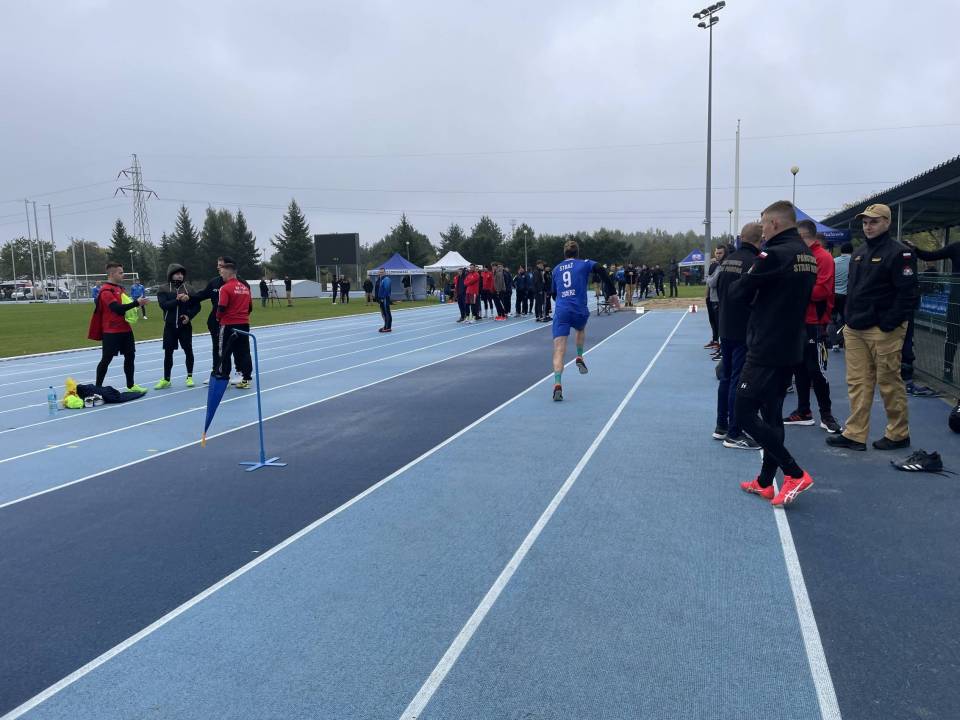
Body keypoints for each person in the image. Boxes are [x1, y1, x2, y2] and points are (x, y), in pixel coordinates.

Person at [732, 201, 817, 507]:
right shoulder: (807, 255)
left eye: (764, 224)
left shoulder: (775, 254)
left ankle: (794, 472)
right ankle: (766, 481)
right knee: (771, 412)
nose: (763, 231)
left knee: (743, 412)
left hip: (767, 345)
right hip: (790, 343)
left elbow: (739, 290)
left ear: (776, 224)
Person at [827, 204, 918, 451]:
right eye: (865, 222)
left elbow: (908, 294)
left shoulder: (900, 253)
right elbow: (853, 289)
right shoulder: (859, 253)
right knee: (857, 382)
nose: (868, 226)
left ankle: (898, 434)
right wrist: (848, 318)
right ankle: (855, 434)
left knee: (889, 382)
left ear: (887, 222)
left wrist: (889, 323)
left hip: (883, 329)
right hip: (855, 328)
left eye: (874, 222)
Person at [784, 220, 840, 433]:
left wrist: (794, 290)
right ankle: (803, 411)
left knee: (816, 370)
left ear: (802, 236)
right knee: (799, 368)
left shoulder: (823, 257)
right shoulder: (798, 256)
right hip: (797, 321)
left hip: (815, 323)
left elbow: (821, 292)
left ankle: (826, 415)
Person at [550, 239, 620, 401]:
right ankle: (579, 356)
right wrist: (612, 292)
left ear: (564, 253)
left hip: (562, 310)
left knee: (559, 350)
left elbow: (553, 294)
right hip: (579, 309)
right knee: (580, 329)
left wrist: (562, 300)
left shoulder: (556, 269)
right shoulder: (584, 264)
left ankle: (557, 384)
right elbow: (601, 269)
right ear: (577, 253)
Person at [714, 222, 763, 449]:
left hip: (725, 325)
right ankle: (734, 432)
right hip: (743, 328)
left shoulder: (726, 262)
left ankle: (721, 425)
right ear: (760, 239)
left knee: (726, 377)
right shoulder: (755, 262)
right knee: (737, 379)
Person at [903, 234, 960, 382]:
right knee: (952, 336)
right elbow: (930, 256)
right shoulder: (956, 247)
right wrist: (915, 249)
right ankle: (947, 371)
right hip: (956, 301)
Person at [87, 261, 148, 393]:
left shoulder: (120, 289)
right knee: (106, 359)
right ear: (112, 274)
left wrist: (136, 305)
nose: (123, 275)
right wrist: (136, 303)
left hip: (125, 329)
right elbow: (117, 309)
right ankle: (98, 388)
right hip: (111, 331)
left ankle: (131, 385)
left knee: (130, 356)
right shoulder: (105, 291)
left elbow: (125, 307)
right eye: (120, 273)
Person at [155, 263, 200, 389]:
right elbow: (163, 305)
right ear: (171, 274)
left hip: (184, 326)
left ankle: (189, 377)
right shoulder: (163, 288)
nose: (180, 276)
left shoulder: (189, 289)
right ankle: (166, 379)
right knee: (168, 353)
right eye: (177, 273)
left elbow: (197, 306)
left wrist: (189, 316)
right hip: (169, 327)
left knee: (188, 350)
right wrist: (178, 300)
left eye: (181, 274)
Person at [216, 261, 253, 388]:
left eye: (222, 272)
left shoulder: (225, 288)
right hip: (244, 324)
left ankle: (224, 378)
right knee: (244, 352)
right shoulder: (245, 288)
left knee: (224, 352)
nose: (221, 275)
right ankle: (246, 379)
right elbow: (250, 307)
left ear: (228, 272)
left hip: (228, 325)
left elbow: (221, 307)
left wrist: (218, 318)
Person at [831, 242, 853, 350]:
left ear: (841, 251)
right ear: (852, 251)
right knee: (846, 320)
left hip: (833, 294)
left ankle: (834, 343)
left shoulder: (834, 261)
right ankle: (845, 342)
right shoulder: (854, 262)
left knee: (831, 320)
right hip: (845, 296)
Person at [705, 246, 726, 350]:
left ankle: (720, 345)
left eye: (720, 253)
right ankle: (715, 341)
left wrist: (708, 278)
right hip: (711, 297)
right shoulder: (714, 265)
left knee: (718, 322)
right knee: (713, 321)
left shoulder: (721, 266)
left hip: (718, 298)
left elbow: (712, 282)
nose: (718, 255)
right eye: (717, 253)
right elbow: (709, 280)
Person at [375, 268, 393, 332]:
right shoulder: (380, 279)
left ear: (385, 273)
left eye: (382, 272)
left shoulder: (386, 279)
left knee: (387, 312)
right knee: (384, 313)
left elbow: (387, 289)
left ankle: (388, 327)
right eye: (380, 272)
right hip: (381, 299)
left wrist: (383, 297)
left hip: (385, 298)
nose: (381, 273)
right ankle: (385, 326)